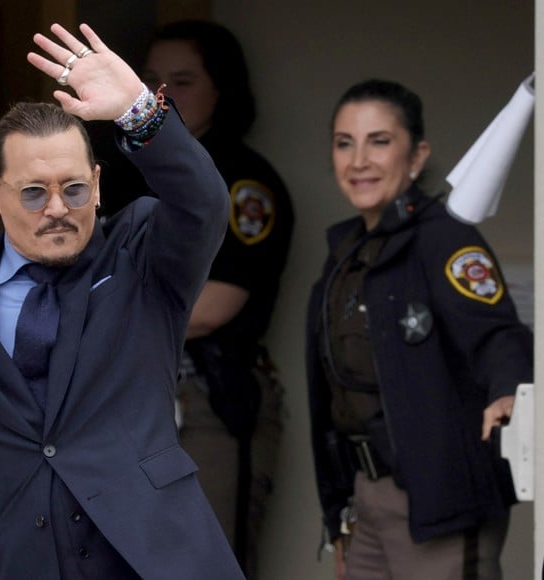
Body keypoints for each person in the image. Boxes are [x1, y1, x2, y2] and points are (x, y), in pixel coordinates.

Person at [0, 22, 246, 579]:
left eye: (74, 189)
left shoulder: (141, 255)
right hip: (18, 558)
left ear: (97, 185)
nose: (56, 208)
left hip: (157, 556)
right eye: (32, 192)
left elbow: (203, 205)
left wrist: (140, 111)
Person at [306, 78, 533, 580]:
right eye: (345, 143)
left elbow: (498, 332)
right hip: (364, 501)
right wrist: (338, 514)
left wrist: (509, 391)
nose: (359, 160)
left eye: (379, 141)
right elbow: (337, 401)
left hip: (440, 497)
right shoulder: (344, 256)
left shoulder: (445, 239)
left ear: (417, 155)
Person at [134, 20, 293, 577]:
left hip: (206, 401)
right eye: (152, 79)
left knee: (206, 562)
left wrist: (102, 321)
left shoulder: (245, 180)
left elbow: (213, 306)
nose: (163, 95)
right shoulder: (132, 173)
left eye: (183, 80)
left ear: (221, 90)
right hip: (129, 400)